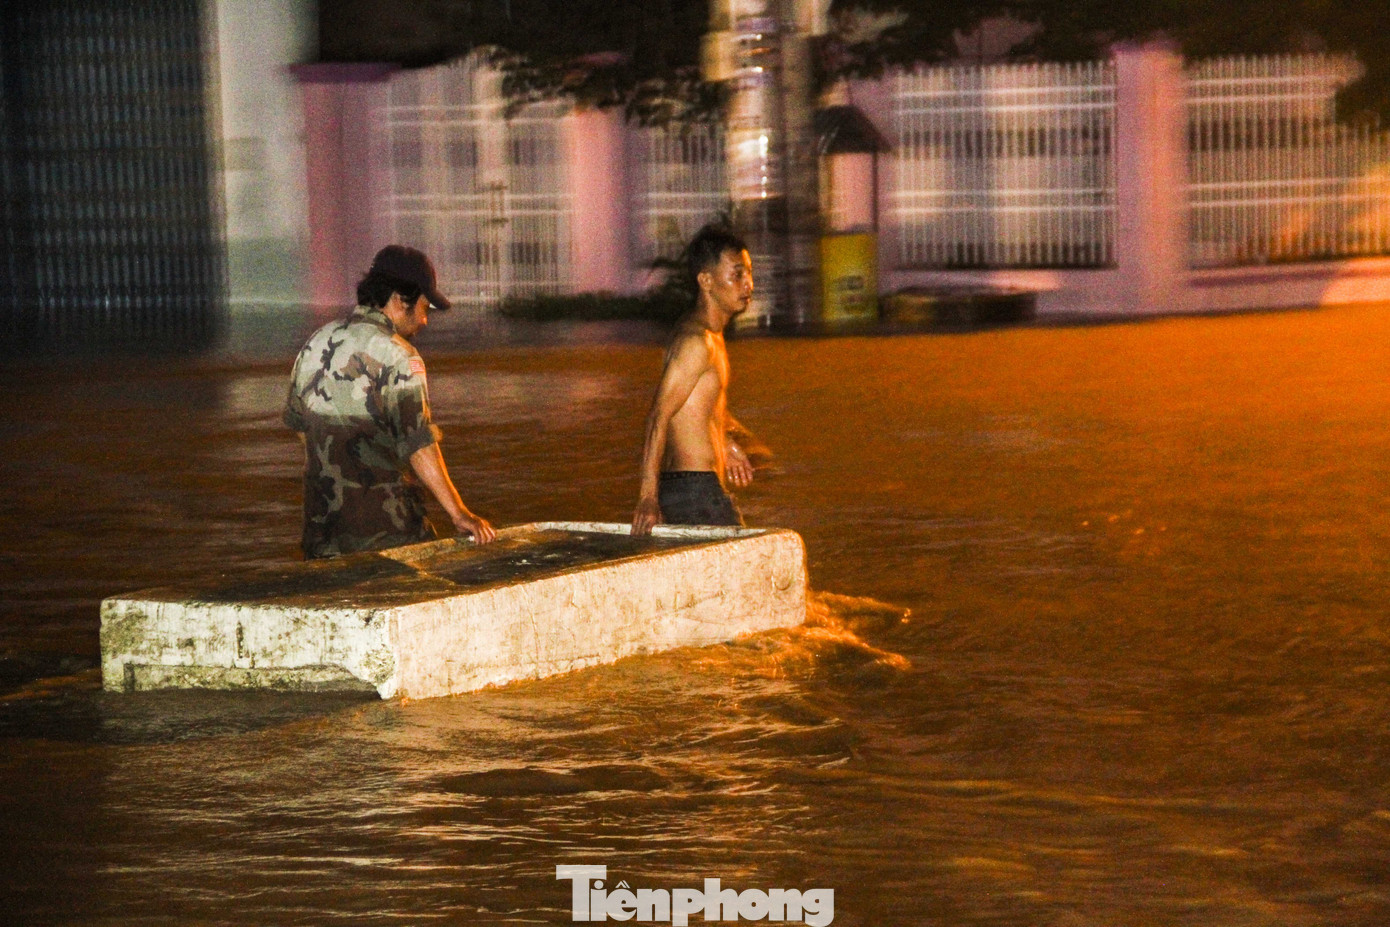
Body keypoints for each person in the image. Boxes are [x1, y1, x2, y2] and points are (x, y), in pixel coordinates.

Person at [284, 244, 496, 559]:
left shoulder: (316, 343)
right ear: (399, 300)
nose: (425, 321)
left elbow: (301, 428)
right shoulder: (399, 356)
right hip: (390, 533)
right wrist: (459, 513)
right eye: (425, 308)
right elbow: (418, 444)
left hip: (323, 536)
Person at [631, 225, 768, 535]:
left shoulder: (712, 337)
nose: (748, 284)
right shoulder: (696, 342)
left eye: (749, 273)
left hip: (697, 489)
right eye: (736, 275)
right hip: (695, 491)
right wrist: (648, 498)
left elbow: (699, 407)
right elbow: (658, 416)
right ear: (706, 281)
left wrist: (728, 441)